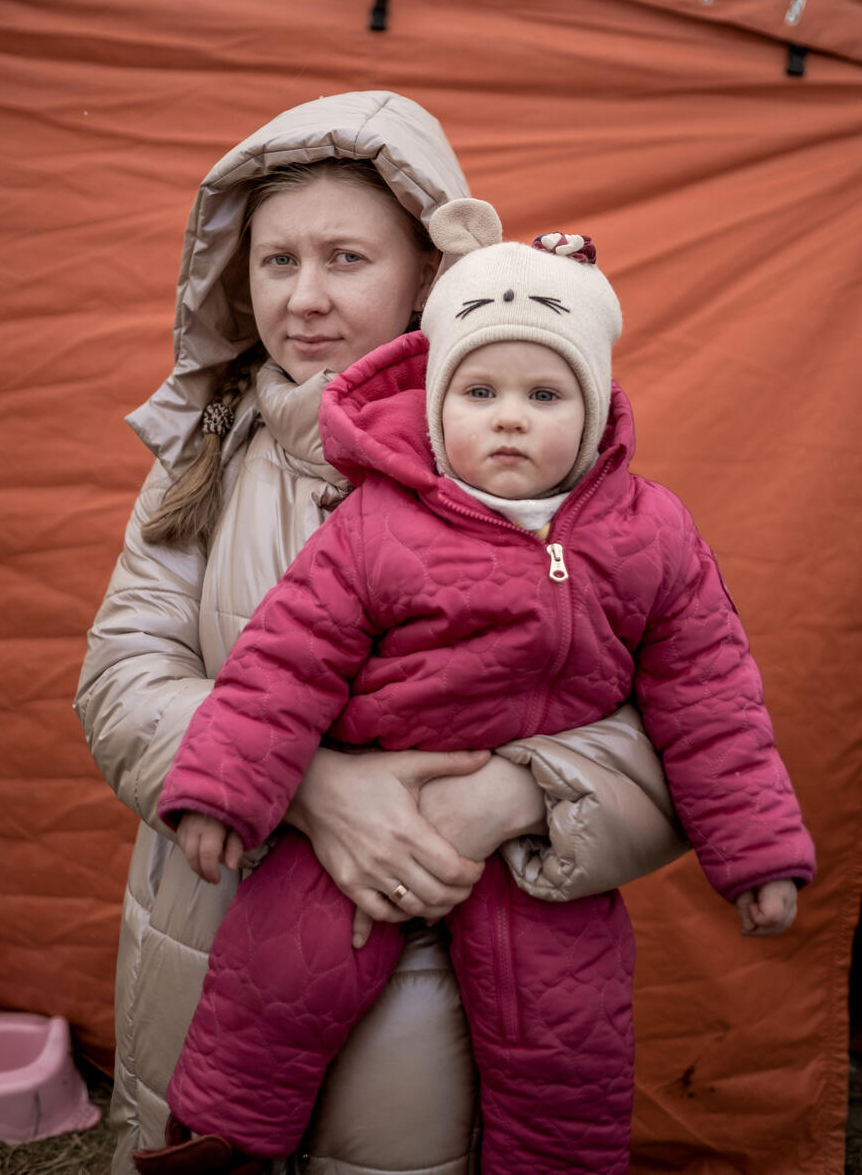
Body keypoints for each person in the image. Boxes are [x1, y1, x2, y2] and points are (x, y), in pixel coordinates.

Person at [132, 199, 816, 1175]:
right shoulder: (378, 526)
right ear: (433, 403)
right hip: (366, 807)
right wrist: (224, 789)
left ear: (595, 412)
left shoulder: (647, 533)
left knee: (566, 1038)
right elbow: (281, 664)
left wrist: (755, 852)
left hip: (537, 855)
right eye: (480, 391)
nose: (507, 416)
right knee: (276, 975)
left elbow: (712, 700)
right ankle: (222, 1143)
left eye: (544, 396)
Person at [76, 92, 682, 1175]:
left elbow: (691, 714)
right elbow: (123, 671)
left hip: (445, 977)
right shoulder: (202, 458)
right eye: (274, 262)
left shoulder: (533, 451)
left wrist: (518, 792)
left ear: (421, 275)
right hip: (212, 938)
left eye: (346, 258)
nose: (303, 299)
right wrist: (306, 782)